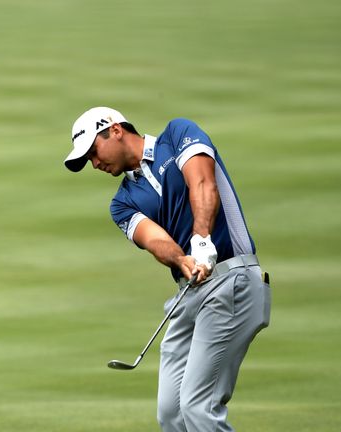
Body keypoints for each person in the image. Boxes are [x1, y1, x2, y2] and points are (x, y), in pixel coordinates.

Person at [63, 107, 271, 432]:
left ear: (115, 130)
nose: (94, 163)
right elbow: (154, 239)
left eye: (93, 151)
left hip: (232, 280)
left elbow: (202, 182)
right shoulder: (121, 203)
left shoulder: (177, 136)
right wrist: (182, 259)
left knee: (197, 406)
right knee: (172, 413)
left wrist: (201, 239)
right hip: (190, 295)